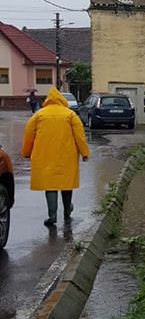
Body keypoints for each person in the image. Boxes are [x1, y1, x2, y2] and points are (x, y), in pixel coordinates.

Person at [21, 87, 90, 227]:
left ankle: (52, 215)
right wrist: (85, 153)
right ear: (62, 100)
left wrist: (27, 152)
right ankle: (67, 211)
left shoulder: (38, 115)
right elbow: (80, 136)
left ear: (48, 100)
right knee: (66, 184)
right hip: (67, 156)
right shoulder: (70, 115)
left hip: (44, 156)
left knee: (50, 185)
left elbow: (29, 136)